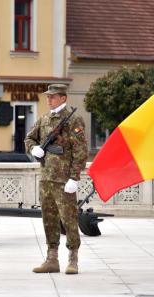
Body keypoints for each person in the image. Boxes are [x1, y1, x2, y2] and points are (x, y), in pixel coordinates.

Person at [24, 84, 88, 274]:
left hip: (64, 180)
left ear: (63, 98)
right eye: (47, 97)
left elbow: (80, 151)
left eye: (53, 97)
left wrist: (74, 178)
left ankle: (73, 258)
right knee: (49, 219)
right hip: (46, 178)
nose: (49, 100)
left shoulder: (74, 120)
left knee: (69, 219)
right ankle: (52, 258)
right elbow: (29, 138)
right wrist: (33, 148)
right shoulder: (44, 119)